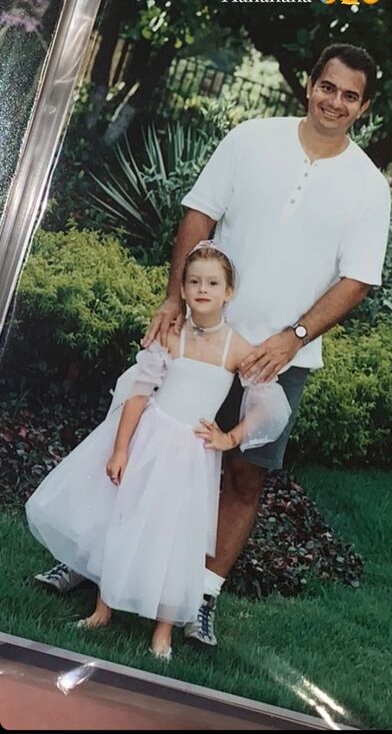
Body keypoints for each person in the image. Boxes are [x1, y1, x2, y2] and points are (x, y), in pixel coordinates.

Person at [34, 42, 392, 650]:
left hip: (274, 359)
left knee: (245, 478)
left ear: (363, 107)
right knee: (141, 441)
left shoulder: (368, 187)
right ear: (309, 84)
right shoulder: (252, 139)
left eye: (350, 95)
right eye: (327, 87)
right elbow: (199, 216)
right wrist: (176, 298)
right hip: (201, 332)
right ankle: (94, 562)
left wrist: (293, 337)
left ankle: (201, 599)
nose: (335, 102)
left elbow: (356, 279)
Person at [26, 243, 291, 660]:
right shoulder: (173, 335)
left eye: (213, 283)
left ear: (229, 292)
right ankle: (103, 609)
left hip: (191, 455)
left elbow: (269, 404)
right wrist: (120, 449)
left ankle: (162, 631)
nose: (203, 289)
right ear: (183, 290)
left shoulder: (237, 347)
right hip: (151, 438)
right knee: (125, 516)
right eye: (194, 282)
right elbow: (138, 393)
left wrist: (230, 437)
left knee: (176, 534)